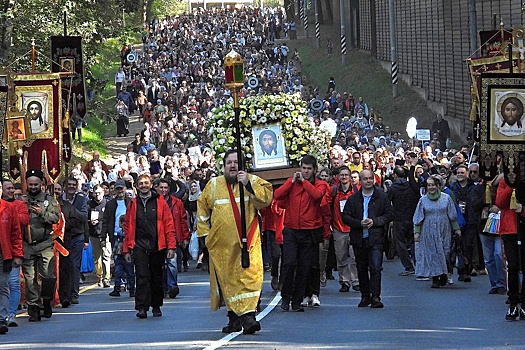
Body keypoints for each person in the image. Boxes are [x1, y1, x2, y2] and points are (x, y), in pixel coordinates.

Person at [197, 149, 272, 334]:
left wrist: (247, 183)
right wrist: (206, 236)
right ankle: (234, 319)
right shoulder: (214, 185)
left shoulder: (252, 180)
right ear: (223, 166)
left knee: (249, 279)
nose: (233, 166)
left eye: (236, 162)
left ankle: (249, 317)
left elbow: (266, 200)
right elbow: (202, 210)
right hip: (222, 247)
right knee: (228, 282)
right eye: (229, 163)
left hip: (248, 244)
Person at [274, 154, 330, 312]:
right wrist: (291, 182)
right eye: (303, 168)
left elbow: (317, 195)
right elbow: (277, 195)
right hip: (291, 229)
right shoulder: (292, 183)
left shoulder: (320, 184)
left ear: (314, 170)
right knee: (289, 263)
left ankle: (297, 301)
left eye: (308, 169)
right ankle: (285, 298)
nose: (305, 171)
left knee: (304, 267)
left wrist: (304, 182)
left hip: (309, 231)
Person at [123, 174, 176, 319]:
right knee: (141, 276)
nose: (144, 185)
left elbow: (169, 224)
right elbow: (127, 227)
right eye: (141, 183)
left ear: (151, 184)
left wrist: (171, 246)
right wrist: (126, 249)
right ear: (136, 186)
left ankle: (156, 305)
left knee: (156, 276)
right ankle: (141, 307)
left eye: (146, 183)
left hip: (157, 245)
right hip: (139, 246)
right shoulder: (133, 204)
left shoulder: (160, 202)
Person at [341, 169, 394, 308]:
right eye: (365, 179)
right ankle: (365, 296)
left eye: (370, 178)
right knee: (361, 268)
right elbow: (345, 216)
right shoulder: (353, 198)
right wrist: (359, 223)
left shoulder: (381, 197)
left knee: (376, 267)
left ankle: (376, 297)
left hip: (376, 238)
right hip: (359, 238)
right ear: (360, 180)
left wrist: (375, 221)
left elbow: (389, 214)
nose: (368, 181)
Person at [22, 169, 60, 321]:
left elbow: (56, 217)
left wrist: (41, 213)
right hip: (27, 245)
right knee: (29, 278)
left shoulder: (48, 200)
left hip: (45, 243)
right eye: (30, 184)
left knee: (48, 276)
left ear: (41, 184)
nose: (32, 187)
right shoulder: (21, 200)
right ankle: (34, 306)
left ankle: (46, 299)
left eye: (35, 184)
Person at [413, 175, 461, 288]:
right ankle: (435, 277)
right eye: (429, 185)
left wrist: (457, 229)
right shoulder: (423, 200)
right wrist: (417, 232)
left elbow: (452, 216)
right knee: (432, 253)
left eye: (433, 185)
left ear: (438, 186)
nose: (431, 187)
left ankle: (444, 274)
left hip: (444, 229)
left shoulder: (446, 198)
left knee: (444, 252)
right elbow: (418, 217)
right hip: (428, 230)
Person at [494, 177, 525, 320]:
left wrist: (523, 210)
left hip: (523, 228)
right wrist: (511, 187)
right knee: (512, 266)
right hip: (510, 230)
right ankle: (513, 303)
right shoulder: (504, 182)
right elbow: (500, 202)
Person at [156, 178, 189, 298]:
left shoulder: (176, 202)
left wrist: (185, 237)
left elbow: (183, 220)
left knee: (172, 263)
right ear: (156, 188)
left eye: (166, 188)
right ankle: (162, 287)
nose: (163, 190)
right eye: (161, 187)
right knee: (159, 264)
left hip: (173, 236)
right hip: (158, 237)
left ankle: (172, 286)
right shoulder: (153, 202)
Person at [330, 166, 359, 292]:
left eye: (346, 175)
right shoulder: (334, 191)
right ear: (338, 177)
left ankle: (356, 281)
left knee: (354, 257)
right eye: (342, 175)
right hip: (338, 228)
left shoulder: (356, 191)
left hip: (353, 228)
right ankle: (344, 281)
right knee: (341, 257)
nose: (344, 177)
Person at [100, 179, 132, 295]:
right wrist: (103, 237)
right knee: (118, 263)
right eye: (117, 189)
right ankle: (117, 287)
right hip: (115, 237)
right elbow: (106, 221)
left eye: (121, 188)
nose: (119, 191)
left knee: (129, 263)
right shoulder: (110, 204)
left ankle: (131, 287)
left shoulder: (131, 202)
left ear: (125, 189)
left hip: (129, 237)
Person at [388, 165, 420, 276]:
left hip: (399, 218)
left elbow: (387, 202)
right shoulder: (410, 186)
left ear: (395, 175)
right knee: (413, 242)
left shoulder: (392, 188)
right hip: (411, 217)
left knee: (400, 243)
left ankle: (408, 266)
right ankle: (418, 264)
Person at [0, 181, 23, 334]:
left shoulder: (8, 208)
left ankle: (2, 318)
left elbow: (16, 234)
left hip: (3, 254)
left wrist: (17, 254)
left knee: (2, 287)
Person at [62, 177, 88, 303]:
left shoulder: (81, 200)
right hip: (62, 237)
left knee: (74, 265)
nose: (71, 186)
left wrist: (71, 210)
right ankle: (63, 293)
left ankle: (74, 293)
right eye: (69, 184)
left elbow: (83, 217)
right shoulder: (60, 200)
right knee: (63, 265)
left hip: (77, 236)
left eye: (73, 184)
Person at [88, 184, 111, 288]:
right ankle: (100, 276)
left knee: (106, 256)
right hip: (94, 234)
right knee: (97, 258)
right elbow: (85, 219)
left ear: (104, 193)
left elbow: (110, 219)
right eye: (96, 193)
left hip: (105, 234)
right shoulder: (89, 204)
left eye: (100, 193)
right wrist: (90, 222)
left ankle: (107, 278)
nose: (97, 195)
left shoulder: (108, 204)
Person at [110, 214, 135, 298]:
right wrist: (113, 254)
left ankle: (132, 289)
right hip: (119, 255)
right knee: (118, 272)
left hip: (127, 255)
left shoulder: (130, 234)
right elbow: (116, 245)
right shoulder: (119, 233)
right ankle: (117, 288)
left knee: (130, 273)